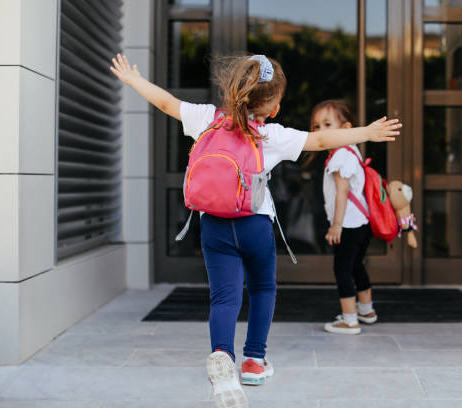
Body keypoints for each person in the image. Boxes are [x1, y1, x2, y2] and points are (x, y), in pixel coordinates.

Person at [110, 53, 401, 408]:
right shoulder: (271, 134)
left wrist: (134, 80)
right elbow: (321, 141)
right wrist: (367, 132)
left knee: (224, 297)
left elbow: (166, 102)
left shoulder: (207, 118)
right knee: (262, 288)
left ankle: (221, 355)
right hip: (254, 224)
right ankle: (254, 361)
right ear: (274, 107)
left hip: (213, 224)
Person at [311, 100, 378, 335]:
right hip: (361, 222)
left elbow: (342, 192)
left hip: (348, 224)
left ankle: (349, 320)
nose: (320, 132)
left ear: (347, 128)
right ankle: (366, 311)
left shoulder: (341, 156)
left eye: (327, 124)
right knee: (356, 265)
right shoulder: (351, 151)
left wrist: (336, 225)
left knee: (342, 269)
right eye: (316, 126)